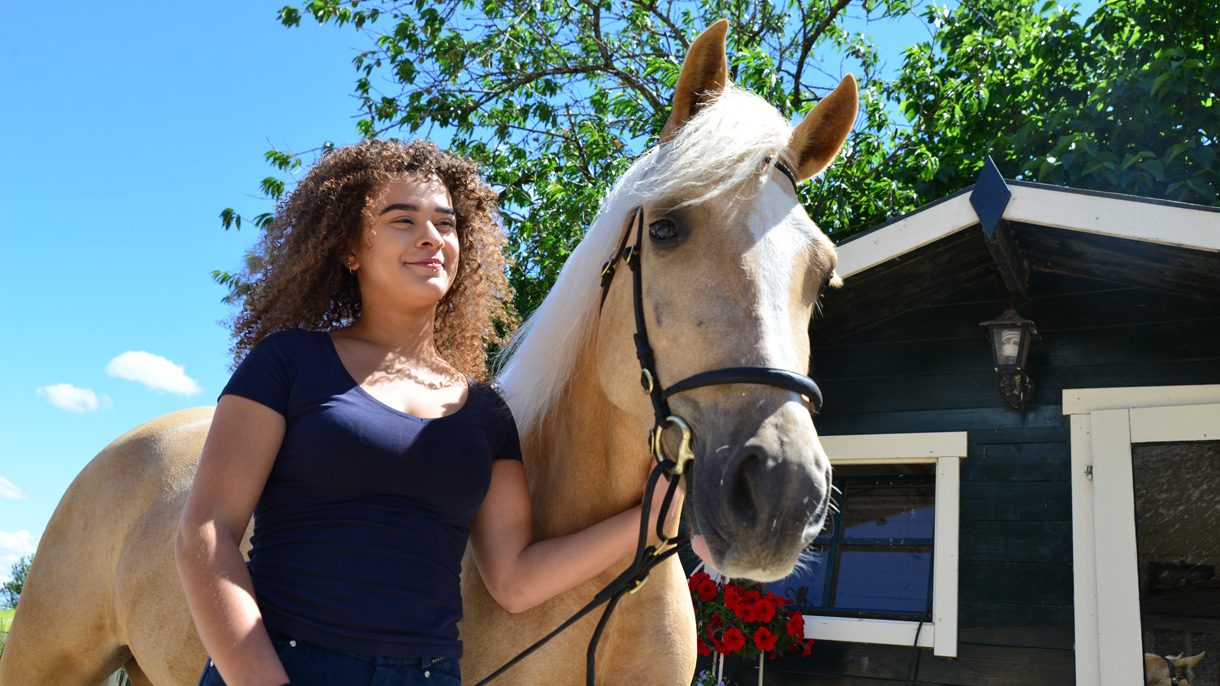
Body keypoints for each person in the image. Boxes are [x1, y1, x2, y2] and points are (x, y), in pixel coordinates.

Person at [175, 139, 679, 686]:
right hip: (287, 664)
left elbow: (514, 581)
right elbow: (206, 533)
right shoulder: (288, 363)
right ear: (349, 248)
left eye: (446, 222)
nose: (431, 237)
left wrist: (650, 522)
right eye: (402, 219)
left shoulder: (486, 414)